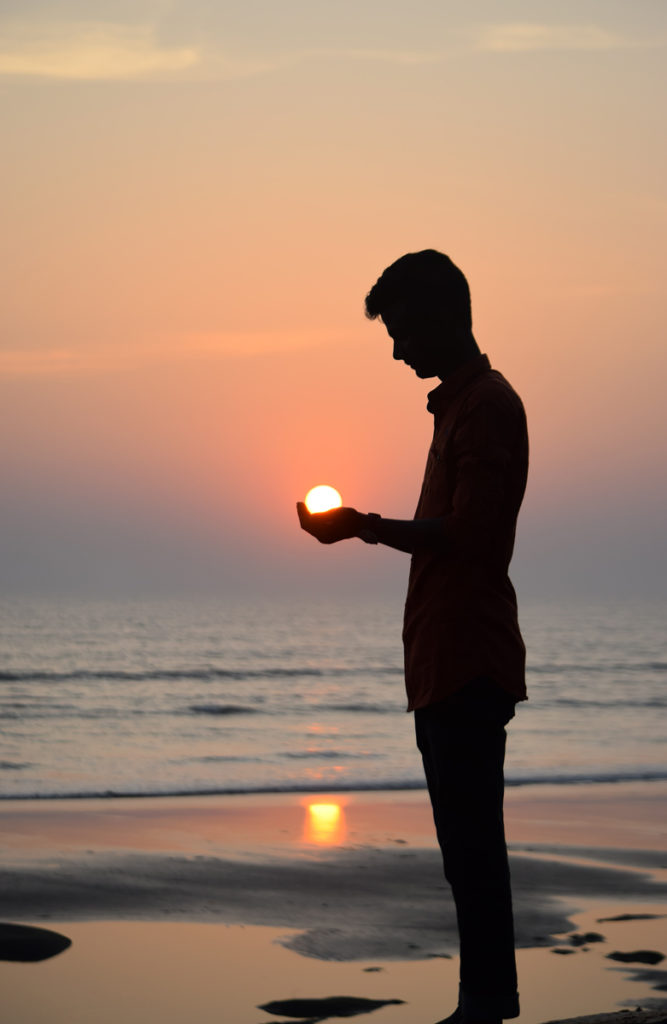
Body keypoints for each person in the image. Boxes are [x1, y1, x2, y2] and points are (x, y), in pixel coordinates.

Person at [296, 250, 528, 1024]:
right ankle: (483, 1000)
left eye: (399, 331)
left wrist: (364, 526)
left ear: (438, 318)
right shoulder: (457, 408)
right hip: (444, 659)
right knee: (463, 851)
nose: (395, 350)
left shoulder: (486, 405)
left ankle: (486, 1003)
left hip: (467, 658)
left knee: (471, 848)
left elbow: (473, 532)